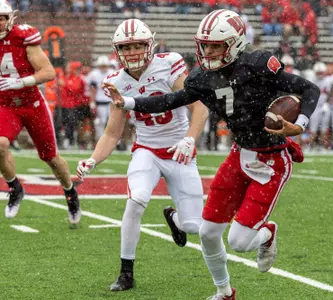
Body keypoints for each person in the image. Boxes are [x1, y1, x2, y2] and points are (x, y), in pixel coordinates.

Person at [104, 10, 320, 300]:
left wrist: (300, 125)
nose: (209, 52)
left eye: (216, 46)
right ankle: (224, 292)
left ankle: (267, 233)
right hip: (238, 155)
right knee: (207, 232)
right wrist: (127, 101)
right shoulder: (202, 78)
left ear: (236, 43)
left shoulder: (257, 65)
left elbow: (309, 89)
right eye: (205, 45)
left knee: (240, 242)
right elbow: (170, 100)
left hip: (270, 159)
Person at [76, 19, 208, 292]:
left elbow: (200, 108)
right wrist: (92, 159)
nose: (133, 51)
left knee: (194, 227)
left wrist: (189, 139)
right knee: (136, 200)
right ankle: (126, 272)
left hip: (178, 150)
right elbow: (113, 133)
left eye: (138, 45)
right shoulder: (115, 80)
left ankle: (174, 218)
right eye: (127, 46)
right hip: (146, 149)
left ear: (150, 45)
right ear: (117, 50)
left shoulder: (168, 64)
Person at [0, 0, 80, 224]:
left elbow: (47, 72)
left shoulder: (23, 37)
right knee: (0, 144)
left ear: (9, 19)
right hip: (5, 104)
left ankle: (70, 192)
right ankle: (15, 187)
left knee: (51, 158)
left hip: (31, 103)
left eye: (1, 18)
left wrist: (21, 82)